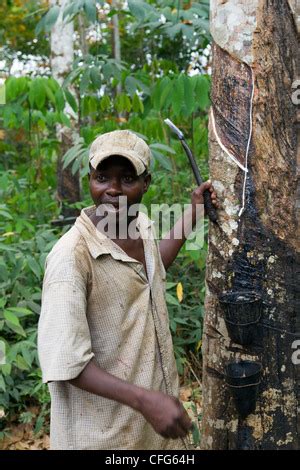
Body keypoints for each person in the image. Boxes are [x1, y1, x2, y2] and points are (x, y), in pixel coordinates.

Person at [38, 129, 218, 450]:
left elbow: (152, 268)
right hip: (102, 438)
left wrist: (194, 211)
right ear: (90, 179)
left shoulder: (139, 225)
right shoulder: (72, 257)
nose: (113, 190)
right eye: (103, 177)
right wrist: (147, 401)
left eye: (127, 179)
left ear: (146, 183)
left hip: (150, 434)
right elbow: (66, 363)